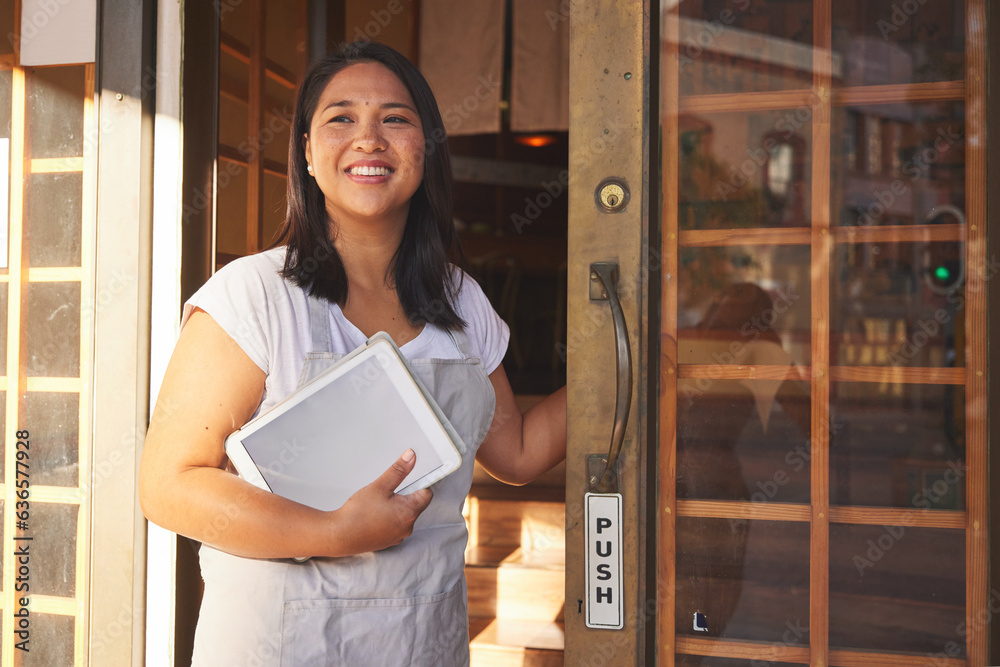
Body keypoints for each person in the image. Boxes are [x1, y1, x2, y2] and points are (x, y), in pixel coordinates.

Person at [138, 41, 567, 666]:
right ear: (308, 154)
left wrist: (630, 364)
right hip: (280, 647)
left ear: (425, 150)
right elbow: (169, 487)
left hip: (424, 643)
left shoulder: (460, 299)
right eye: (341, 118)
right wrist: (332, 533)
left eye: (395, 119)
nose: (369, 138)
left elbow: (520, 453)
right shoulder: (255, 295)